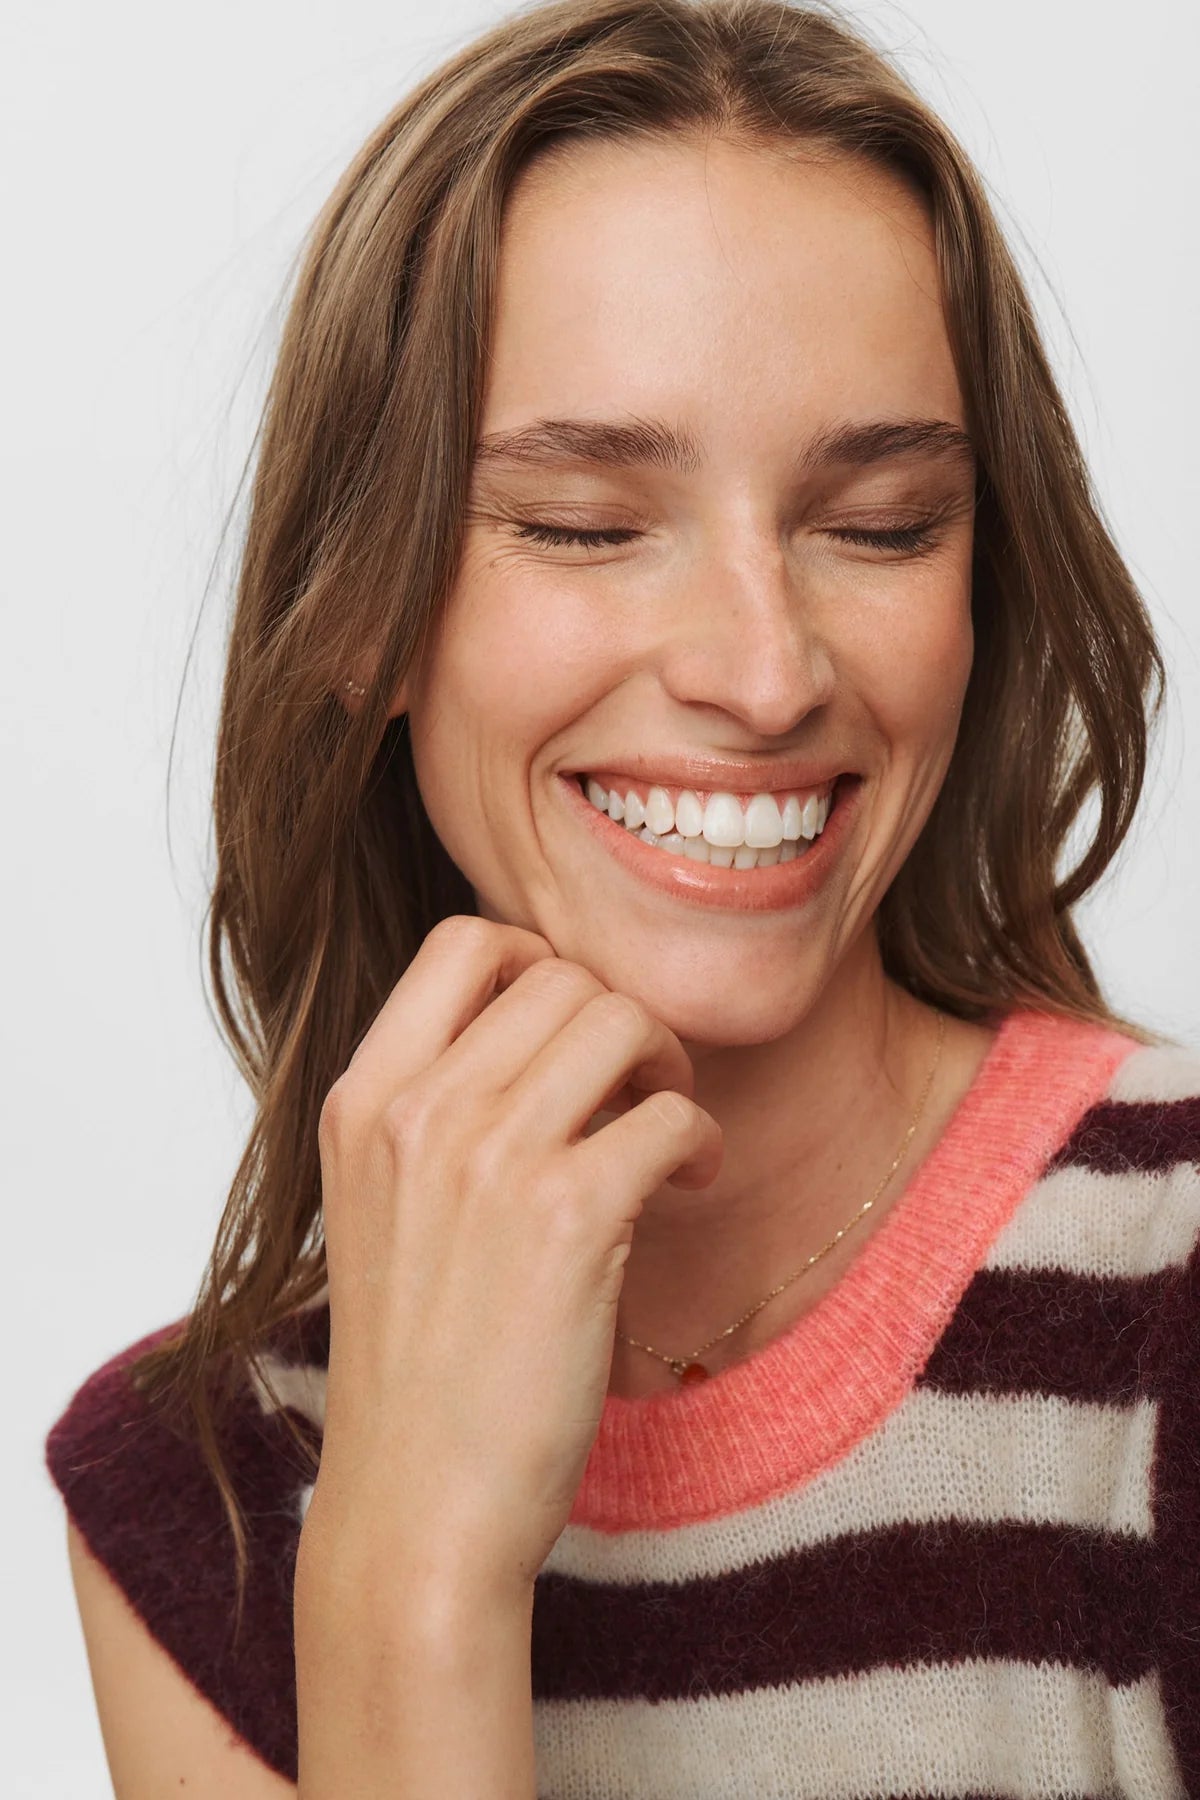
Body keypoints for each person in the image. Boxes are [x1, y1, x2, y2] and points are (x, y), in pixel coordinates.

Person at [43, 0, 1200, 1794]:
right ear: (360, 611)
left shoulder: (1170, 1302)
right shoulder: (196, 1493)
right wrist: (409, 1576)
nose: (763, 670)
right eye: (584, 522)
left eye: (885, 523)